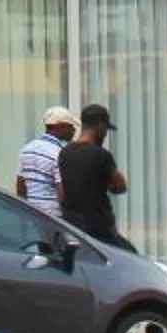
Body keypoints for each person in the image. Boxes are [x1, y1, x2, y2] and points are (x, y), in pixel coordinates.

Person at [58, 104, 129, 247]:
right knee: (130, 258)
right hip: (99, 229)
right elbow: (120, 186)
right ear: (100, 125)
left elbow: (61, 191)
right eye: (106, 130)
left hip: (72, 227)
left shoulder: (64, 153)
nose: (105, 134)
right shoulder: (101, 155)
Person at [16, 106, 74, 212]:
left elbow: (20, 184)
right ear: (61, 126)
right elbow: (62, 194)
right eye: (70, 127)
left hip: (31, 213)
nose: (73, 131)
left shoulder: (27, 149)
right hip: (53, 215)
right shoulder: (60, 153)